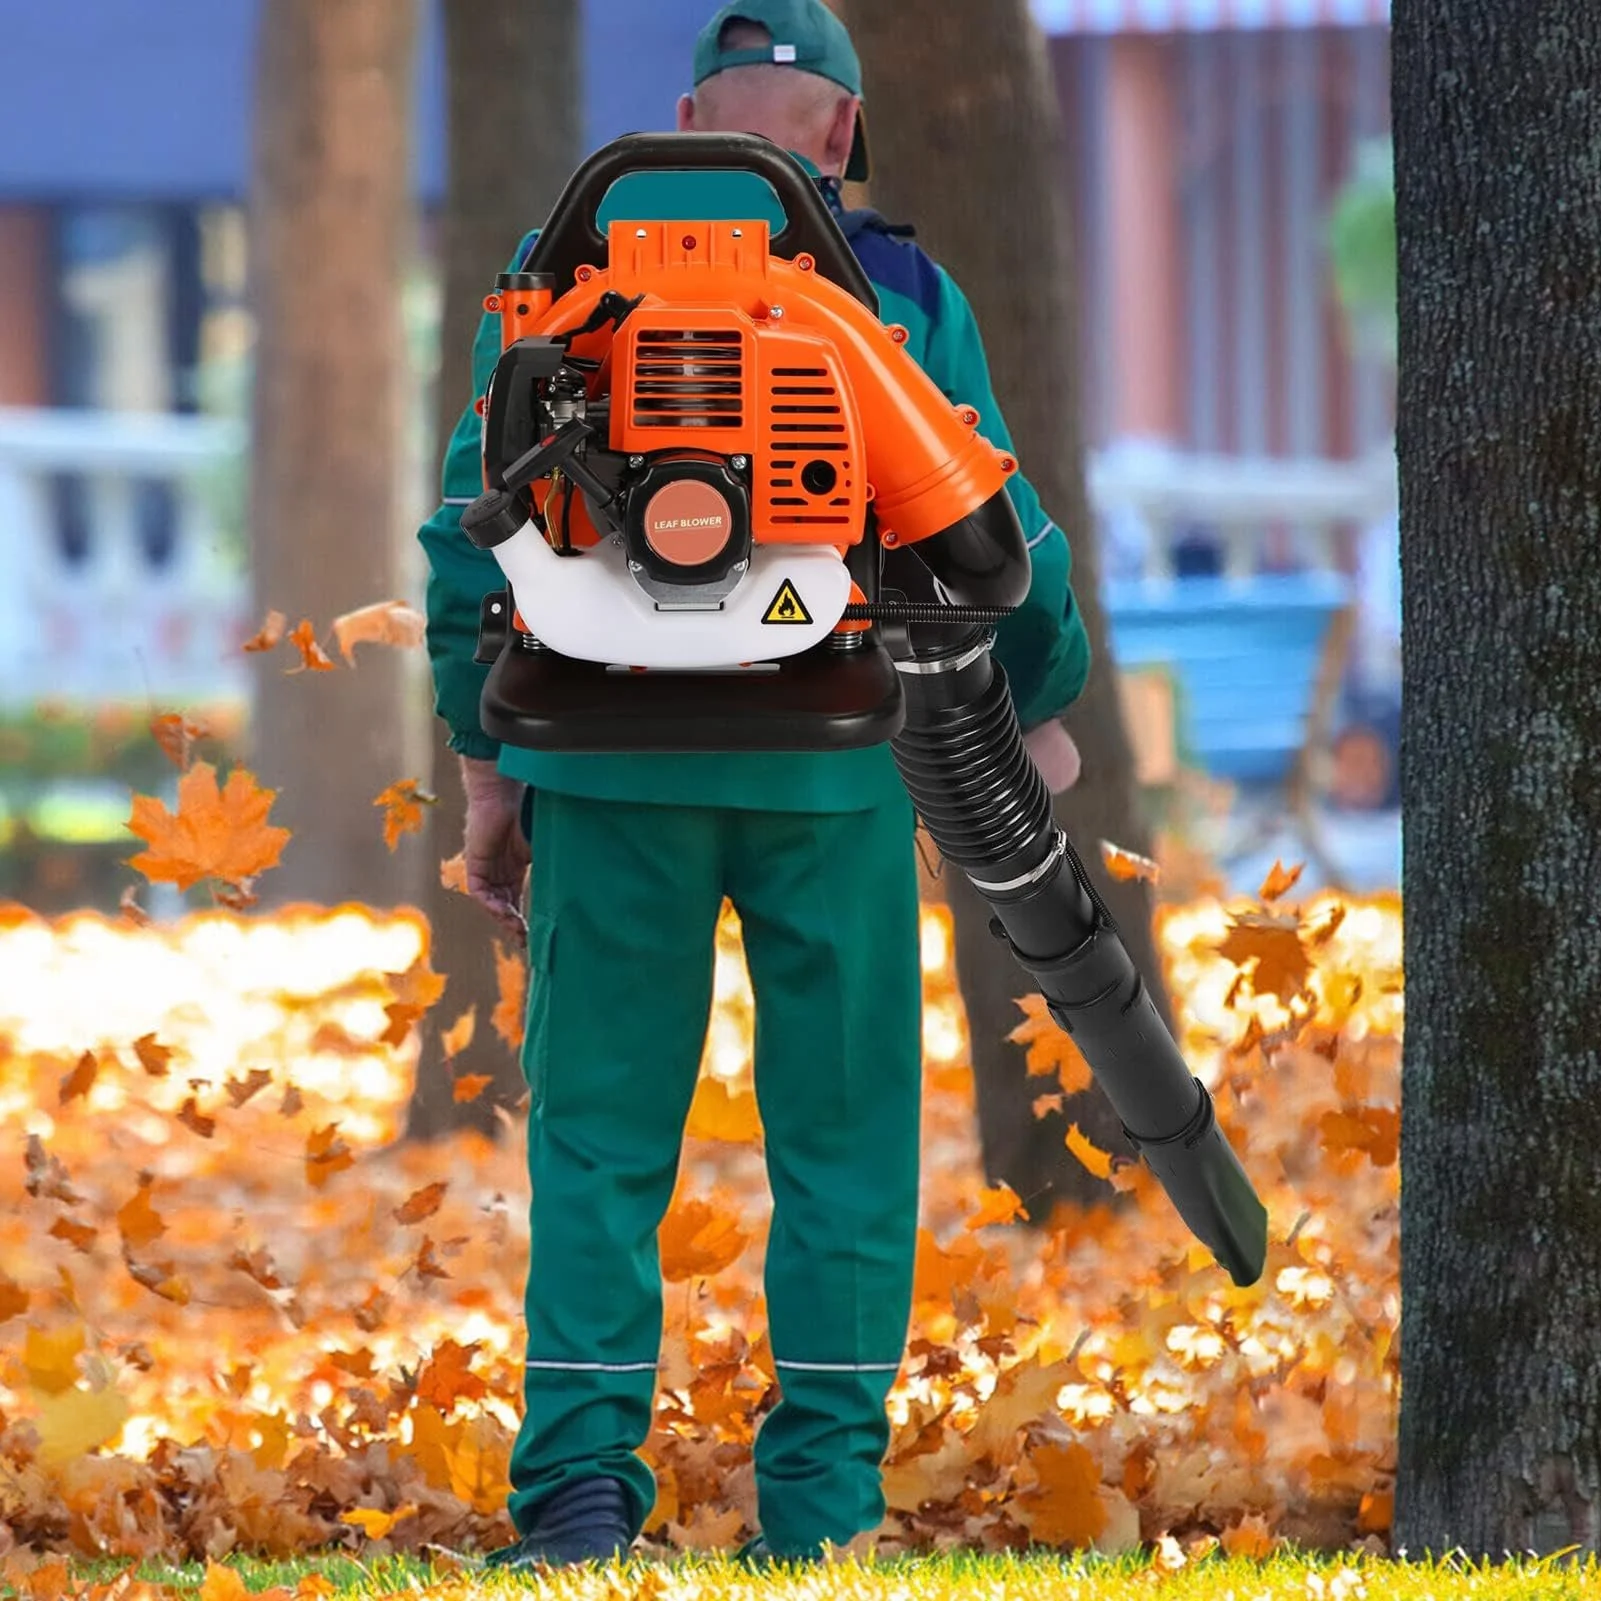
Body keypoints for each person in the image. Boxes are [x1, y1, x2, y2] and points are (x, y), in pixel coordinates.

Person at [416, 0, 1092, 1566]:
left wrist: (485, 774)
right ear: (841, 132)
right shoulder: (900, 291)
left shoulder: (554, 277)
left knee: (596, 1135)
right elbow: (995, 517)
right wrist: (1038, 713)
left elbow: (473, 535)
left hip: (600, 762)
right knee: (843, 1133)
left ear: (686, 119)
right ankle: (822, 1504)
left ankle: (580, 1488)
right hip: (834, 771)